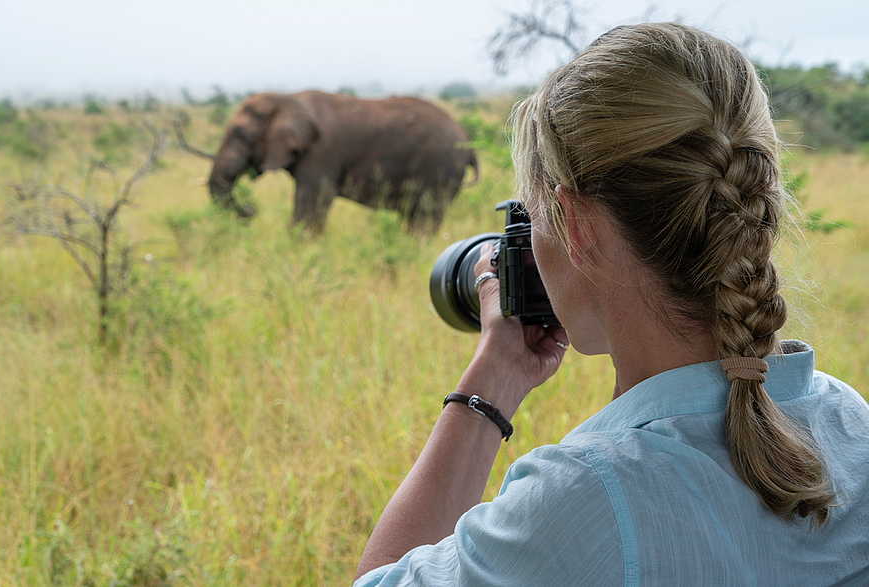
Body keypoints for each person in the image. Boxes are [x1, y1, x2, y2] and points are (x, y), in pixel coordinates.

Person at [353, 23, 869, 586]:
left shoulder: (589, 494)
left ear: (575, 223)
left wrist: (491, 381)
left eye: (533, 218)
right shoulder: (847, 422)